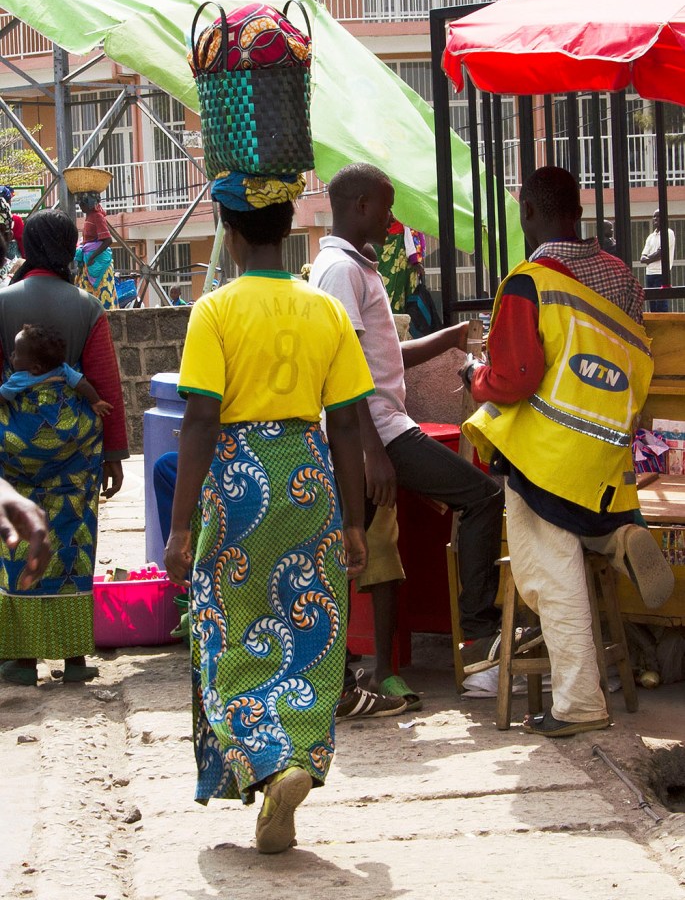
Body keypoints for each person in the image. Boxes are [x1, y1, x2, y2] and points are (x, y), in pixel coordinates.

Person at [164, 189, 374, 855]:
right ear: (289, 227)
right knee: (306, 629)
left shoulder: (215, 310)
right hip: (308, 477)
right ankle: (295, 761)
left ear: (227, 229)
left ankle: (262, 754)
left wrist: (175, 527)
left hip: (238, 482)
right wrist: (355, 522)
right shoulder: (326, 310)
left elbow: (199, 418)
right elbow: (345, 424)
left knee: (229, 632)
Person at [309, 163, 540, 711]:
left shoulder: (355, 267)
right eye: (387, 206)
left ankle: (373, 674)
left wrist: (452, 338)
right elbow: (344, 373)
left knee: (370, 551)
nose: (393, 218)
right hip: (376, 435)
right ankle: (480, 639)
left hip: (381, 431)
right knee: (480, 497)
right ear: (362, 205)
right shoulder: (339, 270)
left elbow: (385, 359)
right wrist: (373, 454)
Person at [461, 166, 674, 737]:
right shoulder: (622, 276)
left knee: (547, 573)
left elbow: (515, 376)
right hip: (608, 458)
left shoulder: (532, 280)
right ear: (577, 212)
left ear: (528, 213)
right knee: (582, 524)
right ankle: (616, 536)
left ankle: (578, 702)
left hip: (548, 456)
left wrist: (474, 378)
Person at [0, 210, 128, 687]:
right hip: (75, 452)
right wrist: (114, 454)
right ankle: (74, 657)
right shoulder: (86, 307)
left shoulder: (2, 302)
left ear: (29, 248)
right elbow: (104, 386)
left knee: (16, 546)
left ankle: (20, 660)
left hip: (12, 448)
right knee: (73, 540)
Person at [1, 323, 113, 417]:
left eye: (16, 354)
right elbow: (82, 384)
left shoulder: (19, 379)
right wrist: (96, 401)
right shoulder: (63, 369)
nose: (12, 354)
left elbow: (3, 397)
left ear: (35, 368)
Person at [74, 191, 118, 309]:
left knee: (102, 291)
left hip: (97, 261)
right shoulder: (89, 216)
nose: (80, 207)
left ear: (89, 204)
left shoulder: (97, 216)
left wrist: (93, 257)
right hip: (88, 259)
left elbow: (108, 240)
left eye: (82, 204)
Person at [641, 209, 676, 312]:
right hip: (649, 273)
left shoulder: (668, 233)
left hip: (661, 272)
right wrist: (649, 259)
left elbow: (661, 253)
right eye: (654, 216)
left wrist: (648, 259)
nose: (656, 218)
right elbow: (642, 257)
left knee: (661, 303)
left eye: (658, 216)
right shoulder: (650, 237)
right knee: (652, 303)